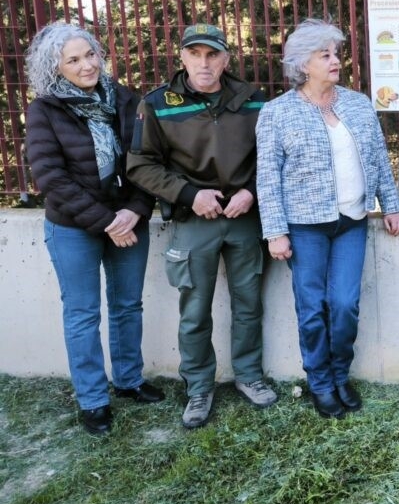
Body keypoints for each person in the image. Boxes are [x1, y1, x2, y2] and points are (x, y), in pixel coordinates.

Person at [256, 19, 399, 419]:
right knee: (312, 307)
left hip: (351, 220)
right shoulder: (277, 113)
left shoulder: (357, 104)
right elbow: (267, 178)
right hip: (305, 226)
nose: (335, 61)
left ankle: (340, 374)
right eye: (324, 55)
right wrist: (275, 232)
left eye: (336, 53)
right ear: (302, 64)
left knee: (344, 304)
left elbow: (378, 157)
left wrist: (390, 206)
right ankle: (320, 382)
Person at [127, 22, 277, 429]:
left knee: (249, 304)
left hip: (244, 218)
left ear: (226, 59)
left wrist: (251, 192)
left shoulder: (252, 100)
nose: (204, 62)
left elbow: (271, 155)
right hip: (194, 220)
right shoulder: (158, 103)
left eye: (213, 54)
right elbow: (140, 164)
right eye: (195, 54)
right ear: (183, 57)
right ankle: (198, 387)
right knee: (195, 310)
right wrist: (191, 194)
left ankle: (249, 375)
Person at [25, 23, 163, 435]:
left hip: (128, 220)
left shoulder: (124, 98)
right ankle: (92, 399)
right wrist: (106, 222)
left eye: (90, 54)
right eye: (73, 60)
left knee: (127, 306)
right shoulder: (45, 110)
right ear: (57, 68)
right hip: (74, 228)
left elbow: (146, 160)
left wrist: (135, 211)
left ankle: (129, 380)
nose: (87, 65)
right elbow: (51, 178)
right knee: (83, 314)